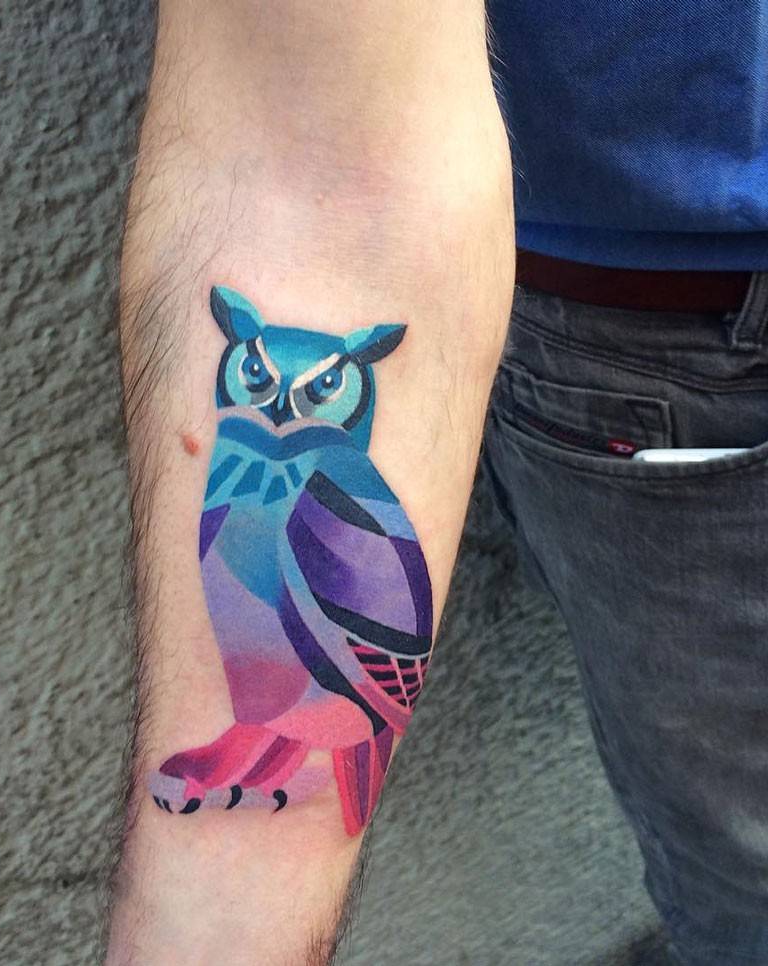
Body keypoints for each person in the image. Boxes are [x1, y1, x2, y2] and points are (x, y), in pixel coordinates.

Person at [105, 3, 768, 964]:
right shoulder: (295, 486)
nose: (284, 409)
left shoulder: (331, 502)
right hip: (680, 322)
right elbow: (317, 191)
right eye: (266, 381)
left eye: (314, 389)